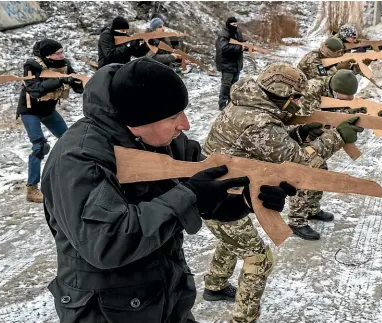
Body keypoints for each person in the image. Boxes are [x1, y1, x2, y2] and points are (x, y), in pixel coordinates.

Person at [40, 57, 294, 323]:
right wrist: (190, 196)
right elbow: (106, 243)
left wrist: (245, 199)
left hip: (165, 296)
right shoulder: (77, 159)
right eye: (173, 116)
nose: (184, 125)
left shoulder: (164, 139)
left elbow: (208, 194)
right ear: (137, 120)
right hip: (105, 310)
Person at [201, 62, 362, 323]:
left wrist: (298, 132)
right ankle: (243, 319)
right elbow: (298, 165)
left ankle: (215, 285)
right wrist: (337, 137)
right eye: (294, 97)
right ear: (280, 93)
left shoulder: (249, 102)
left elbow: (268, 143)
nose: (297, 102)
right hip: (218, 197)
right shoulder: (259, 121)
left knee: (234, 237)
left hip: (220, 192)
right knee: (259, 259)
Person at [17, 39, 84, 203]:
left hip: (48, 110)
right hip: (30, 110)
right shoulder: (32, 66)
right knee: (40, 146)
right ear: (48, 55)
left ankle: (74, 176)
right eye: (58, 53)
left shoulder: (64, 64)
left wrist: (75, 82)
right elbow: (34, 91)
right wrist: (60, 80)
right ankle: (32, 189)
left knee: (69, 140)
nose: (62, 55)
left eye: (62, 52)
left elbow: (79, 88)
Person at [215, 17, 247, 110]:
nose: (235, 26)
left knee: (234, 84)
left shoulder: (238, 32)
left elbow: (241, 43)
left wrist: (246, 47)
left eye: (236, 24)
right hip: (227, 63)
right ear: (228, 24)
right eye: (233, 25)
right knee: (226, 84)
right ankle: (222, 103)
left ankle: (231, 102)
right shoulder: (223, 34)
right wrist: (239, 48)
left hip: (237, 63)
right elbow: (223, 48)